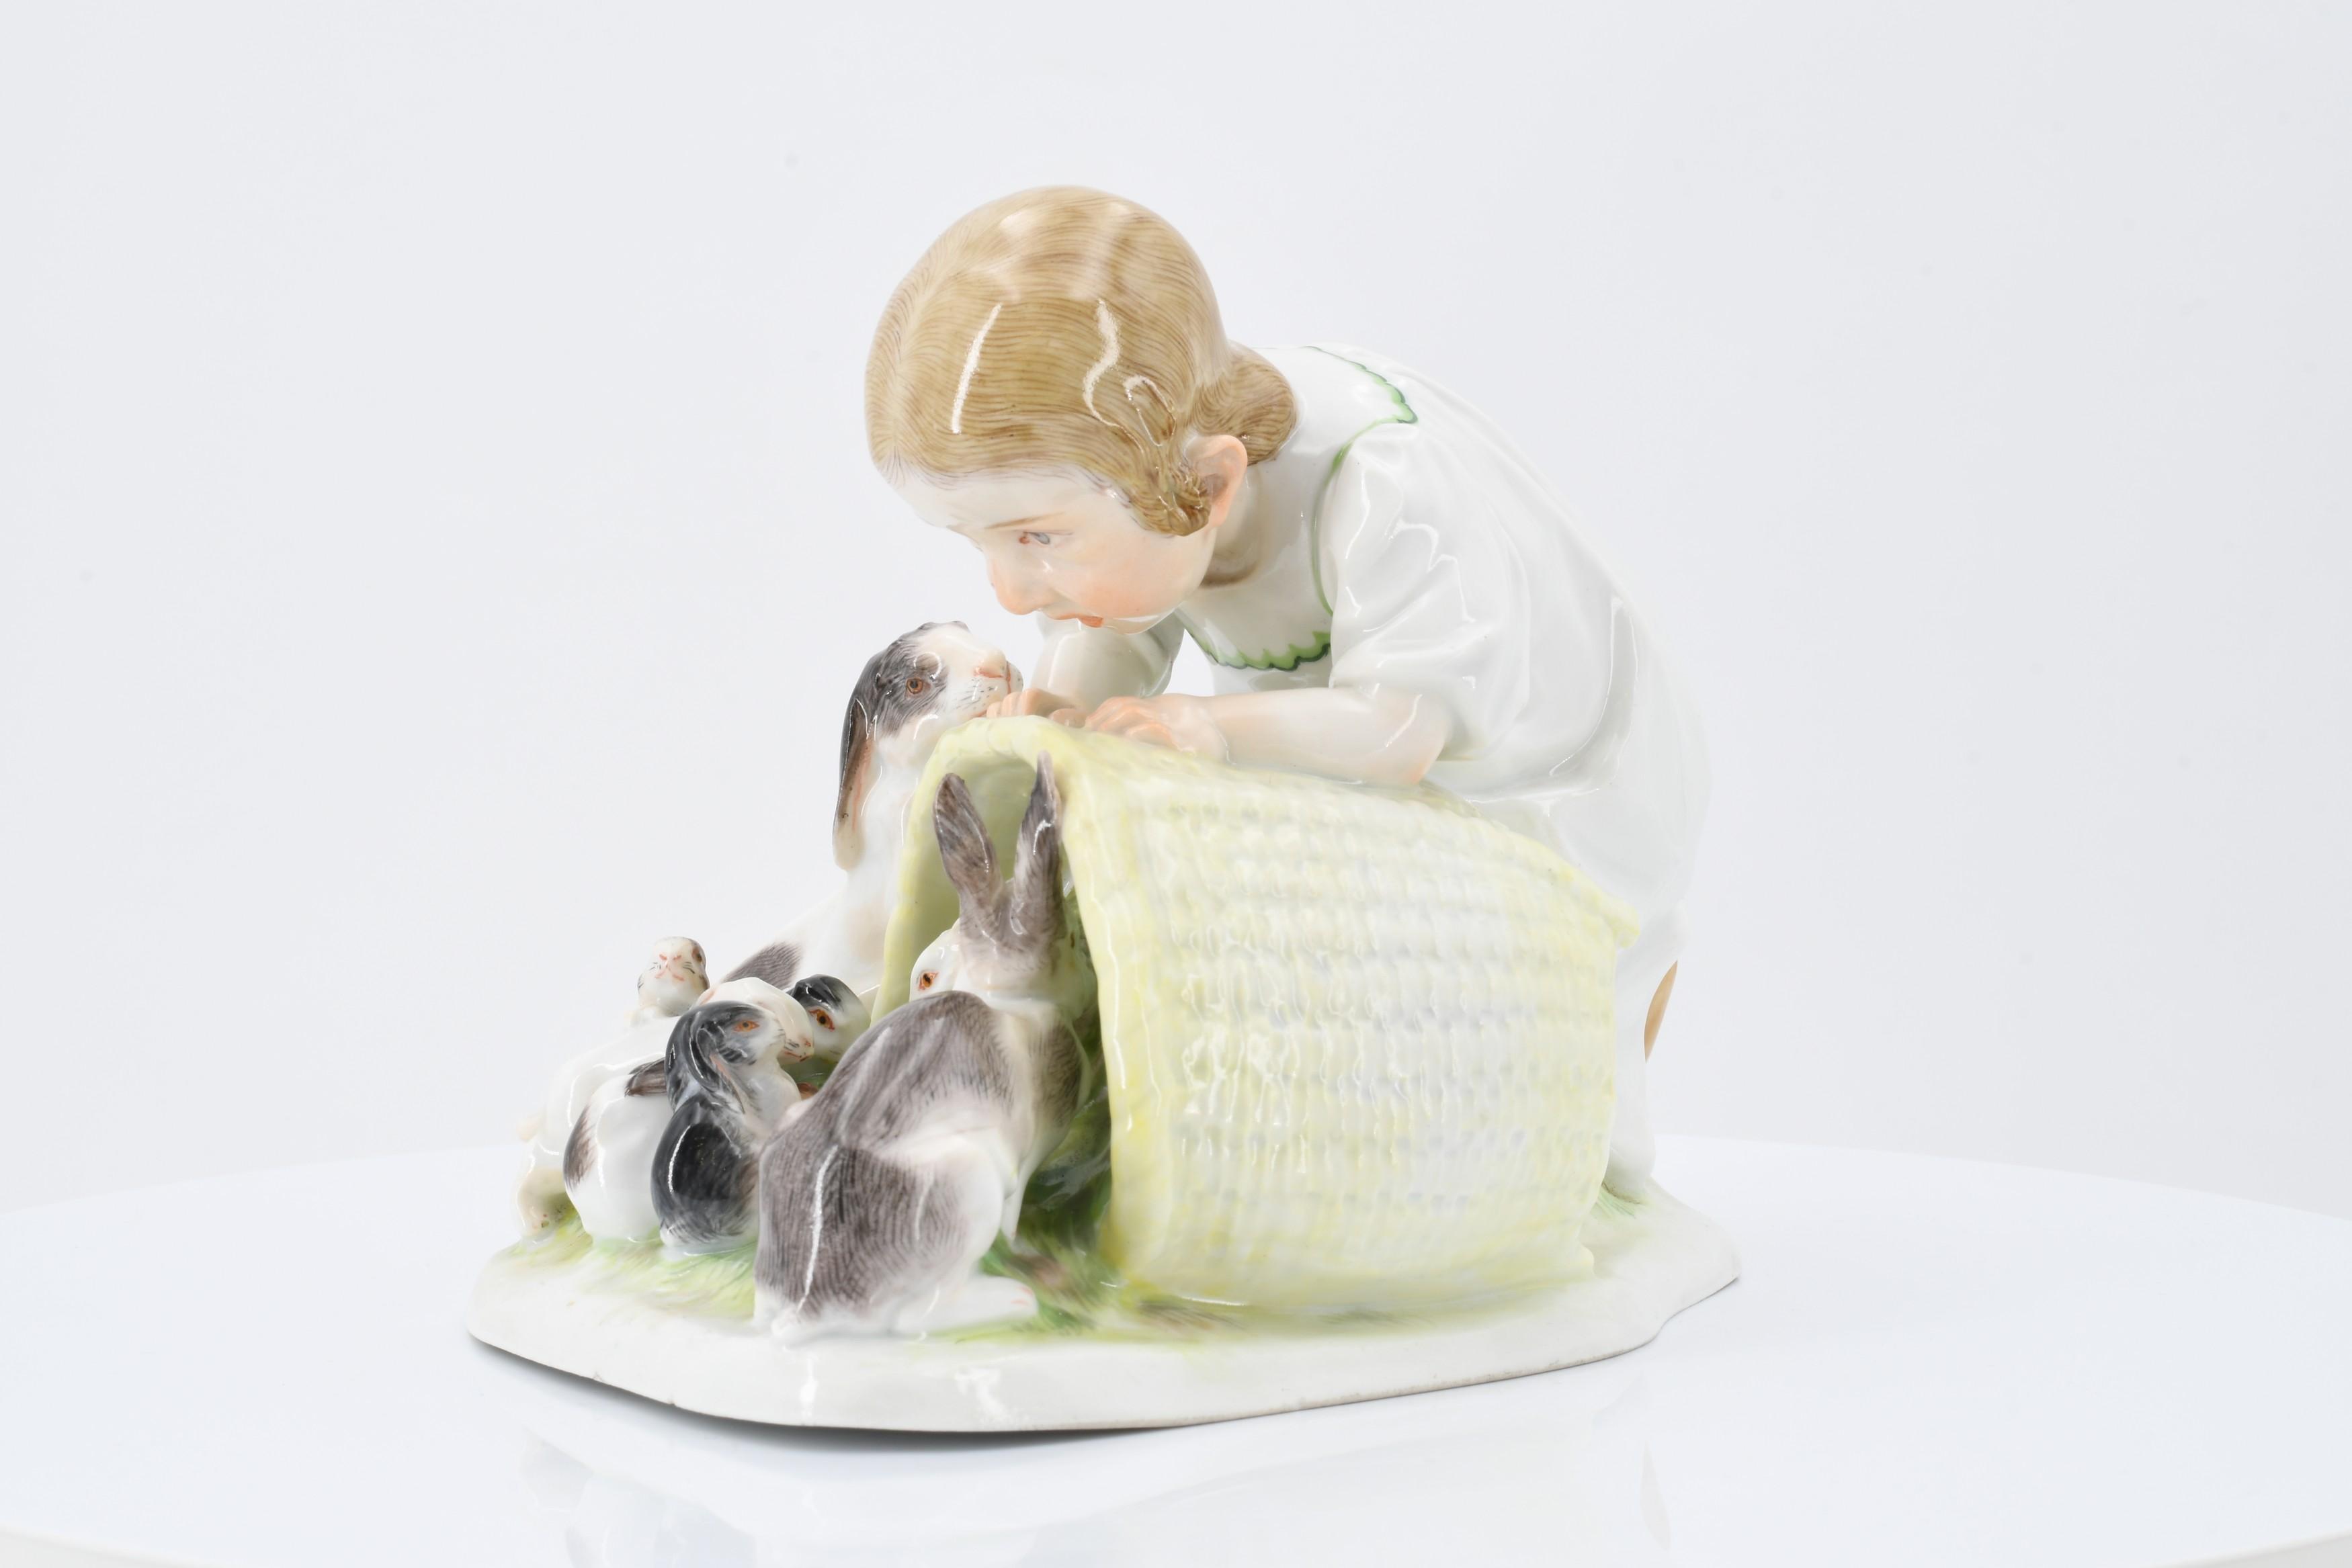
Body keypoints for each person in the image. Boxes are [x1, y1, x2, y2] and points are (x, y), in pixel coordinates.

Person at [864, 187, 1707, 1196]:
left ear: (1210, 483)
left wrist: (1205, 726)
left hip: (1543, 776)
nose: (1008, 590)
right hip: (1351, 767)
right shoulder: (1156, 495)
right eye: (980, 545)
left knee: (1509, 1021)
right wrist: (1058, 705)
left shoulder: (1383, 486)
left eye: (1038, 537)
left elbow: (1403, 727)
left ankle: (1574, 1158)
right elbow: (1112, 624)